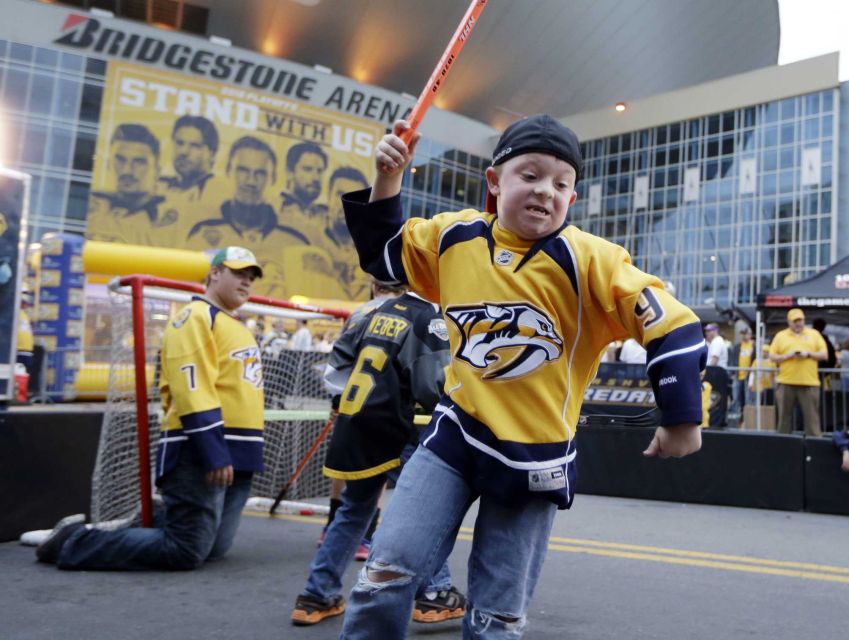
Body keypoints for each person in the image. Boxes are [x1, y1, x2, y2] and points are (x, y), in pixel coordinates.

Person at [337, 115, 706, 639]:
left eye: (560, 184)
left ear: (572, 200)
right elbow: (382, 255)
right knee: (383, 577)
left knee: (496, 619)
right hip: (454, 434)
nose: (545, 191)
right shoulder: (453, 236)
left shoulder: (592, 260)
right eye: (529, 174)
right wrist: (388, 177)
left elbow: (674, 323)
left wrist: (681, 415)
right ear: (494, 182)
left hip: (535, 455)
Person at [36, 247, 265, 570]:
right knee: (186, 549)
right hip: (200, 449)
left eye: (251, 276)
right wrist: (214, 451)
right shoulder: (195, 317)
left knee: (213, 548)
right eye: (239, 273)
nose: (247, 282)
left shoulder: (237, 325)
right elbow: (192, 388)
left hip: (239, 450)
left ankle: (158, 514)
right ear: (214, 273)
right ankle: (72, 541)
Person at [293, 282, 465, 627]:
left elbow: (335, 372)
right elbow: (431, 387)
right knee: (424, 513)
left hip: (358, 423)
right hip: (399, 426)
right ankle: (434, 593)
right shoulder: (430, 319)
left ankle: (316, 594)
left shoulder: (370, 314)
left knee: (353, 512)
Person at [86, 123, 172, 244]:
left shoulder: (171, 219)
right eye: (120, 160)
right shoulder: (92, 210)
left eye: (139, 162)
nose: (127, 170)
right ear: (108, 164)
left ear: (157, 171)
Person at [769, 308, 827, 436]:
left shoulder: (814, 334)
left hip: (809, 383)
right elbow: (772, 356)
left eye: (800, 320)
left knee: (812, 421)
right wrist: (786, 356)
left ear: (804, 320)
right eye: (795, 321)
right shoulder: (780, 336)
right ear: (789, 322)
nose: (798, 323)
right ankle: (783, 447)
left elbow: (824, 355)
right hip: (786, 382)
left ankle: (814, 448)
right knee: (783, 421)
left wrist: (808, 355)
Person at [158, 115, 219, 202]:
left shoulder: (221, 196)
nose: (183, 152)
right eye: (179, 143)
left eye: (195, 146)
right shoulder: (157, 186)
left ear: (212, 154)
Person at [279, 141, 329, 245]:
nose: (316, 178)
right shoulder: (272, 208)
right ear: (290, 172)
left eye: (320, 171)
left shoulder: (327, 217)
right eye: (307, 169)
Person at [732, 326, 754, 421]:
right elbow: (733, 359)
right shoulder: (737, 346)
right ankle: (737, 418)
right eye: (743, 333)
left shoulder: (754, 346)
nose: (744, 335)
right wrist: (733, 372)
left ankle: (748, 419)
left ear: (750, 334)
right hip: (738, 375)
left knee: (748, 398)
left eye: (746, 333)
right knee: (736, 397)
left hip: (749, 376)